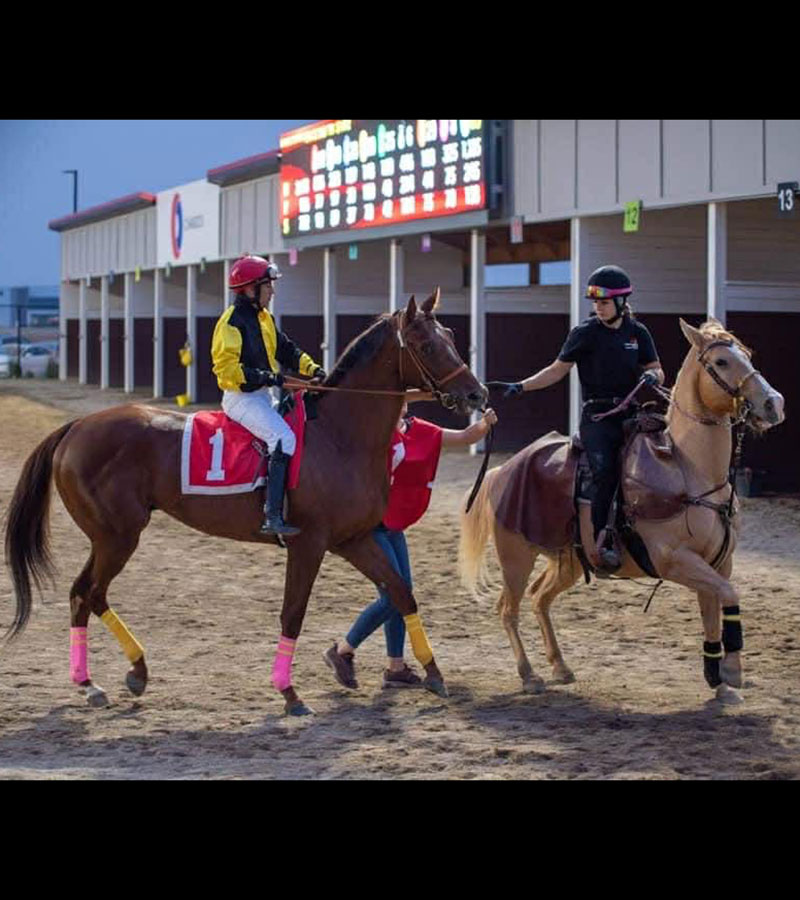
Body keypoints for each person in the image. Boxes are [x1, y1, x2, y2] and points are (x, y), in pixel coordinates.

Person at [487, 264, 664, 572]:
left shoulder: (639, 333)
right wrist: (521, 386)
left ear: (622, 302)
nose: (598, 307)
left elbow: (657, 369)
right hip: (597, 418)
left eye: (604, 302)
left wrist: (653, 377)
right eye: (595, 302)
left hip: (632, 414)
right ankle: (602, 540)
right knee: (606, 469)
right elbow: (556, 371)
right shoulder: (584, 333)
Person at [324, 402, 498, 689]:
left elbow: (466, 437)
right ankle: (343, 650)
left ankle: (395, 667)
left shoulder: (422, 431)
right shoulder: (372, 432)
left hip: (394, 527)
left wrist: (485, 424)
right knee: (395, 595)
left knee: (402, 593)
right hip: (371, 527)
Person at [211, 254, 326, 537]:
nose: (272, 291)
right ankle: (271, 515)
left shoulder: (264, 318)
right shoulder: (231, 321)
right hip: (241, 399)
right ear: (250, 288)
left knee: (299, 427)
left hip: (262, 397)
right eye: (268, 286)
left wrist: (313, 368)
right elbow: (226, 369)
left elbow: (286, 349)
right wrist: (267, 377)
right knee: (283, 438)